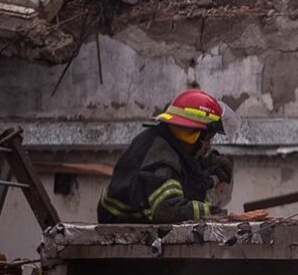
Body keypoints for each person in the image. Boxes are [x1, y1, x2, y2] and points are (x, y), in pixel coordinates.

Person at [98, 87, 235, 223]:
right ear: (192, 135)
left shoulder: (168, 142)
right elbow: (169, 209)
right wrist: (212, 212)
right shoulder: (162, 160)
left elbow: (185, 171)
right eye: (208, 138)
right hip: (120, 226)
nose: (209, 145)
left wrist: (209, 164)